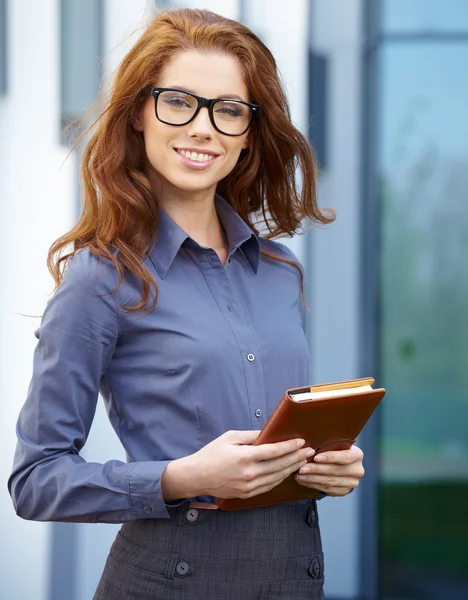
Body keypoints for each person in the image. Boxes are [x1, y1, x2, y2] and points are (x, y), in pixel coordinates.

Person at [8, 8, 365, 600]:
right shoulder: (100, 279)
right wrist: (180, 478)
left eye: (228, 110)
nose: (203, 128)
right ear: (140, 115)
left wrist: (327, 465)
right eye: (178, 101)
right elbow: (35, 480)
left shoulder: (279, 271)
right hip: (170, 580)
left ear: (248, 132)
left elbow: (277, 436)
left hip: (294, 576)